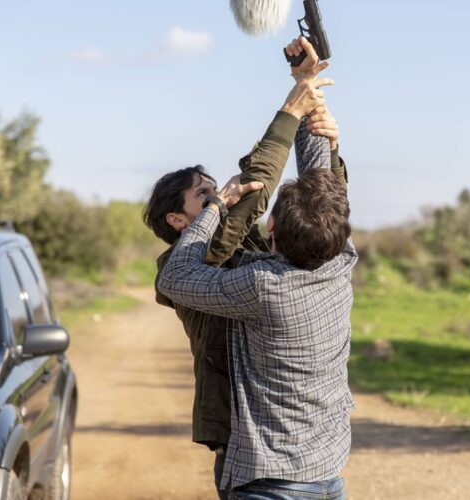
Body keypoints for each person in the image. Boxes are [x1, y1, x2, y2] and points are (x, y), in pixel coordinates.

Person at [143, 38, 343, 498]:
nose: (222, 196)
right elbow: (252, 199)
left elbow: (316, 212)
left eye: (218, 189)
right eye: (206, 195)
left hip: (275, 455)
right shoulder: (178, 265)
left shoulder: (252, 258)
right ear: (178, 219)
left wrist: (309, 104)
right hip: (248, 450)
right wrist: (296, 105)